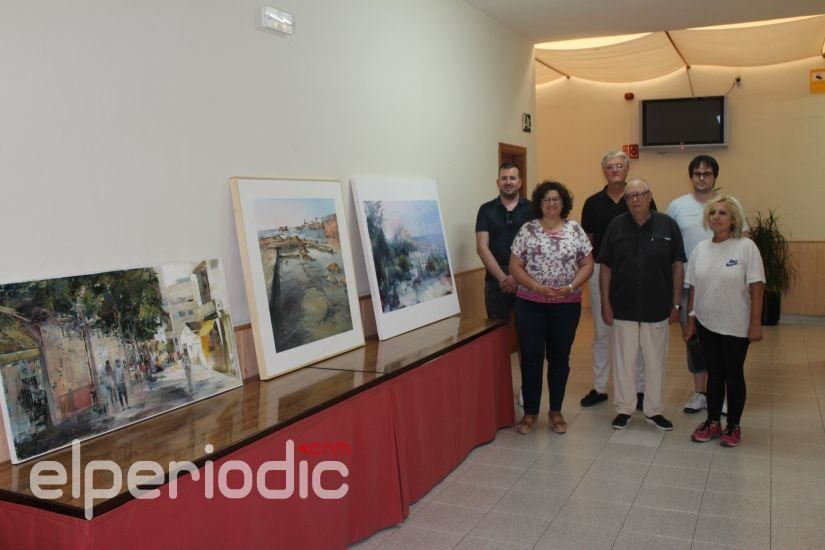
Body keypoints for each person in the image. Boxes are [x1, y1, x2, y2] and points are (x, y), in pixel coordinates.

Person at [599, 178, 685, 431]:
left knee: (655, 362)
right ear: (625, 200)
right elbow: (606, 266)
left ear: (650, 196)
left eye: (640, 194)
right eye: (630, 196)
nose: (635, 199)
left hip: (657, 306)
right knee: (624, 361)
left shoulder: (668, 225)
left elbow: (677, 266)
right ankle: (624, 409)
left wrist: (676, 304)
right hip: (623, 305)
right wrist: (605, 302)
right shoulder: (616, 226)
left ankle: (654, 411)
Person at [509, 181, 594, 434]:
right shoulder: (527, 230)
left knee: (559, 358)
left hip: (565, 306)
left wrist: (570, 287)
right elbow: (515, 266)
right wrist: (536, 287)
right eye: (546, 199)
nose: (551, 203)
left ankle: (556, 412)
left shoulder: (575, 230)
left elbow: (588, 264)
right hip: (530, 304)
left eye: (556, 199)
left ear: (563, 203)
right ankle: (530, 413)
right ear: (539, 203)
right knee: (531, 357)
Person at [668, 155, 747, 415]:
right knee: (694, 342)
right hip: (689, 286)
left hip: (725, 286)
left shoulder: (727, 204)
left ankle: (721, 394)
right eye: (697, 173)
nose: (702, 177)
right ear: (691, 177)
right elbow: (670, 247)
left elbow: (744, 241)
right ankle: (701, 393)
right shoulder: (677, 206)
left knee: (723, 341)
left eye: (707, 173)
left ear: (715, 177)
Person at [684, 196, 765, 447]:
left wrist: (755, 324)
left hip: (736, 324)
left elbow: (757, 288)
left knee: (733, 375)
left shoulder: (746, 247)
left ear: (733, 219)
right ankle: (712, 421)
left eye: (722, 213)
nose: (716, 217)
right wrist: (691, 321)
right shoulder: (700, 249)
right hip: (706, 323)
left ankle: (733, 425)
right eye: (712, 213)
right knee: (715, 375)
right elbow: (694, 288)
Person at [580, 152, 655, 409]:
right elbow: (587, 242)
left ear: (627, 169)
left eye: (620, 165)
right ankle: (599, 387)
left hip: (635, 272)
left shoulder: (640, 196)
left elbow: (652, 232)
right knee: (602, 332)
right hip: (601, 270)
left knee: (636, 333)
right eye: (610, 166)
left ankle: (640, 389)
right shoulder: (592, 203)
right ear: (604, 171)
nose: (615, 169)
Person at [476, 162, 535, 320]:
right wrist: (503, 278)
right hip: (496, 281)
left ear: (520, 182)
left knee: (527, 330)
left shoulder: (533, 210)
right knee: (497, 331)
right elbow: (482, 247)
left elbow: (537, 248)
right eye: (504, 178)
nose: (508, 182)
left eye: (512, 178)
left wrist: (517, 277)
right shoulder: (485, 210)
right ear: (498, 182)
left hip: (527, 280)